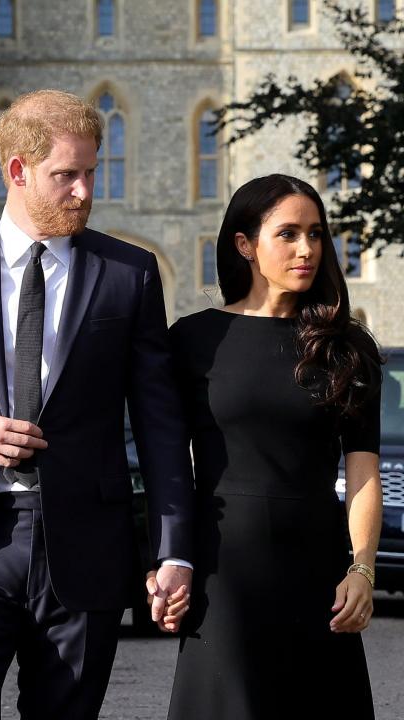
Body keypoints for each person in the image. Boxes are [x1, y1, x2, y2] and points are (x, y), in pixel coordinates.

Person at [0, 89, 195, 720]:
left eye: (90, 173)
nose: (84, 191)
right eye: (65, 175)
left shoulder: (130, 273)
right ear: (17, 170)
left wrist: (172, 547)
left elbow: (159, 422)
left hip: (85, 544)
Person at [165, 174, 383, 720]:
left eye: (316, 233)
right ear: (245, 245)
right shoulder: (192, 340)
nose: (307, 249)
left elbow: (362, 471)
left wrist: (362, 569)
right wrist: (167, 560)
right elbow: (167, 462)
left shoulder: (347, 348)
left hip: (317, 568)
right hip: (223, 571)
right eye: (288, 234)